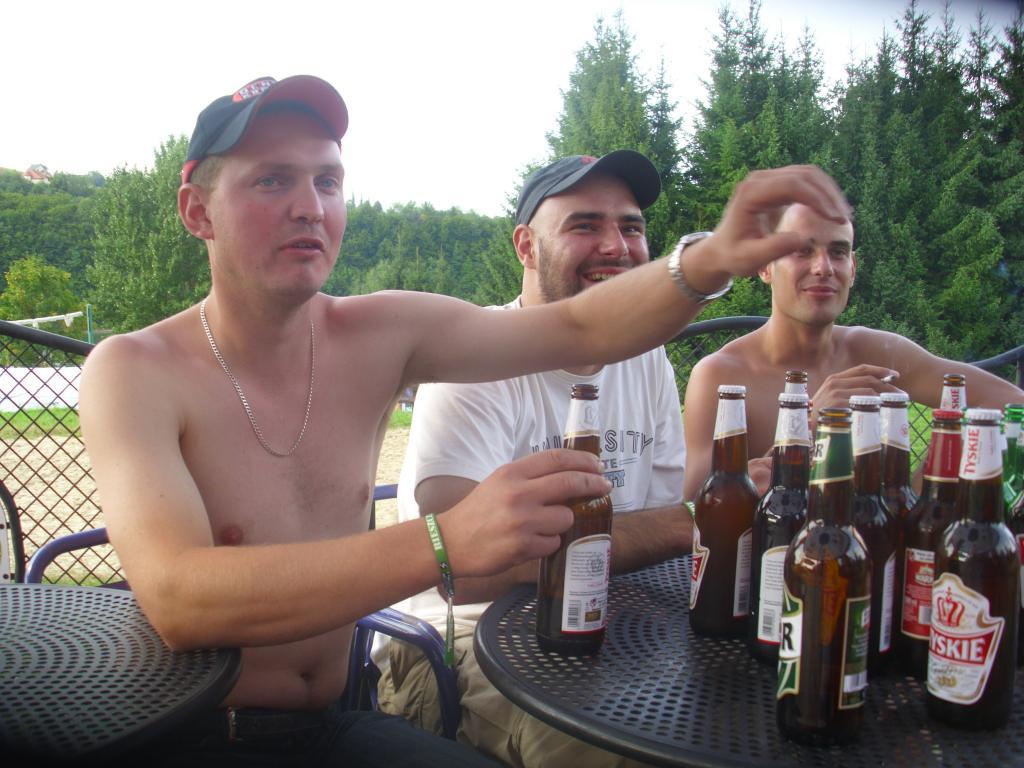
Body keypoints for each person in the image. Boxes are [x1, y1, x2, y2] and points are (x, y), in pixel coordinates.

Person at [78, 73, 852, 766]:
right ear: (197, 211)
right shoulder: (133, 370)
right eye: (272, 180)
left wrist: (708, 260)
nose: (310, 206)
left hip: (337, 721)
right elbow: (179, 599)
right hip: (187, 733)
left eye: (328, 179)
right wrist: (446, 540)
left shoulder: (376, 334)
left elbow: (581, 328)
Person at [376, 151, 688, 767]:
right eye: (584, 225)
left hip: (604, 624)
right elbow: (463, 573)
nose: (616, 246)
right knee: (607, 747)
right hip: (458, 636)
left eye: (630, 227)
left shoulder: (647, 358)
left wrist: (675, 530)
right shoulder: (473, 359)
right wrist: (683, 526)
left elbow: (660, 535)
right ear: (525, 246)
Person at [682, 202, 1024, 501]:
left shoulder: (878, 352)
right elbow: (696, 508)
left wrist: (924, 496)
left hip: (876, 550)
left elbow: (1011, 403)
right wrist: (808, 427)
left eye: (838, 252)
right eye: (802, 251)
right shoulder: (722, 376)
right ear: (764, 266)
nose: (823, 267)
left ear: (853, 268)